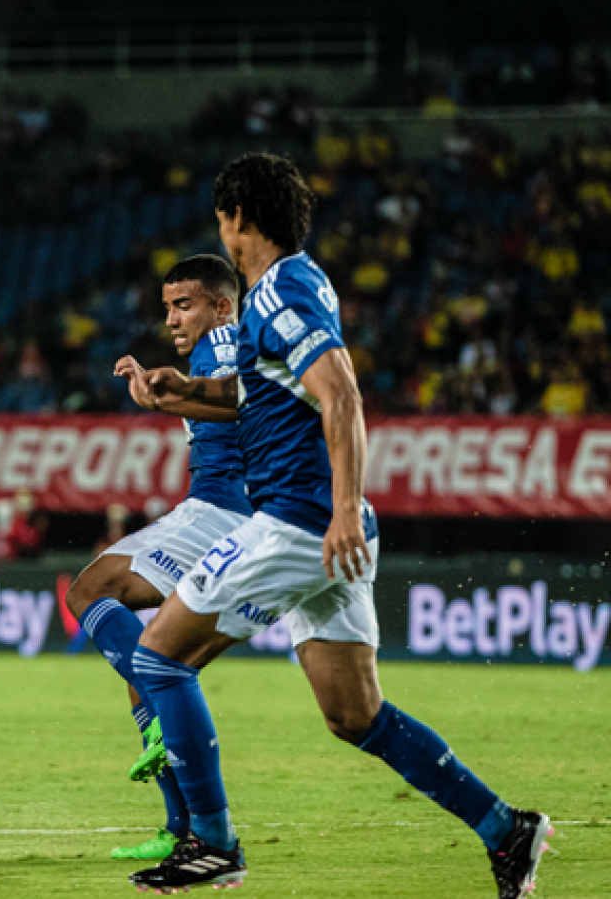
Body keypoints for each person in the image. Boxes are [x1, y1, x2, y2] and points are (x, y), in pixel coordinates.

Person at [127, 152, 549, 897]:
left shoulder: (278, 292)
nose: (221, 230)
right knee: (356, 715)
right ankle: (505, 830)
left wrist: (344, 510)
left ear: (238, 217)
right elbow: (263, 394)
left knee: (159, 659)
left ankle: (213, 844)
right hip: (322, 528)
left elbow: (342, 395)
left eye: (222, 218)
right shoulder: (288, 287)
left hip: (300, 524)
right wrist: (186, 389)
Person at [63, 254, 250, 861]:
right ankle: (181, 828)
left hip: (222, 512)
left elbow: (243, 403)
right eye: (167, 307)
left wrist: (170, 396)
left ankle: (171, 737)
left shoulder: (222, 341)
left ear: (220, 306)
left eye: (183, 305)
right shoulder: (222, 348)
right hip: (227, 515)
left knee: (92, 591)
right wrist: (167, 394)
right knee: (148, 660)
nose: (171, 319)